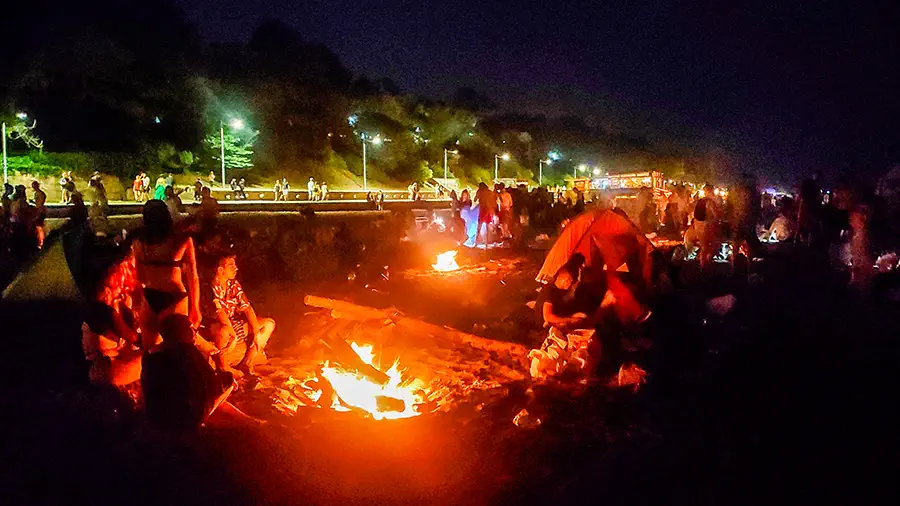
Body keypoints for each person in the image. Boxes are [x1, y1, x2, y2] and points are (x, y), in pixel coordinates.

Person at [141, 314, 235, 432]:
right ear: (183, 331)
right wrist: (224, 374)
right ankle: (200, 422)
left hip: (157, 417)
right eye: (190, 327)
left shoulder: (149, 354)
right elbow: (211, 383)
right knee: (228, 381)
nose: (194, 331)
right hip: (184, 418)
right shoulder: (187, 351)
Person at [132, 200, 201, 350]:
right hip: (174, 297)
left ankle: (152, 373)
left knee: (150, 349)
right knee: (178, 348)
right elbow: (193, 277)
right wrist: (195, 307)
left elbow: (140, 277)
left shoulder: (139, 243)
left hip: (150, 296)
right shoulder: (181, 240)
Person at [207, 255, 275, 376]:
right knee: (224, 331)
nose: (236, 268)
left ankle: (247, 362)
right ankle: (224, 367)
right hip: (217, 326)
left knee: (268, 324)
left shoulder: (233, 284)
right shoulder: (211, 287)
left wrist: (256, 332)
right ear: (220, 270)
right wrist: (233, 335)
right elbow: (220, 313)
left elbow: (247, 307)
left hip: (235, 323)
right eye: (231, 266)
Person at [536, 254, 590, 330]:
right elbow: (548, 317)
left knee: (581, 317)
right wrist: (570, 320)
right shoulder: (550, 291)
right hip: (543, 325)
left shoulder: (560, 290)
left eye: (570, 281)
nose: (569, 283)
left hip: (556, 317)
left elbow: (568, 301)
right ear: (561, 278)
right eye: (567, 280)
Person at [475, 182, 497, 247]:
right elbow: (493, 201)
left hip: (483, 210)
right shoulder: (490, 192)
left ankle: (476, 243)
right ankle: (486, 244)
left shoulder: (480, 192)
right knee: (487, 227)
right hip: (489, 211)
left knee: (479, 227)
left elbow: (475, 199)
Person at [30, 181, 47, 248]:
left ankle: (41, 242)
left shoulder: (40, 193)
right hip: (38, 210)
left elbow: (40, 203)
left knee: (39, 227)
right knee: (38, 227)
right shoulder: (38, 193)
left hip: (40, 211)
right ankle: (40, 241)